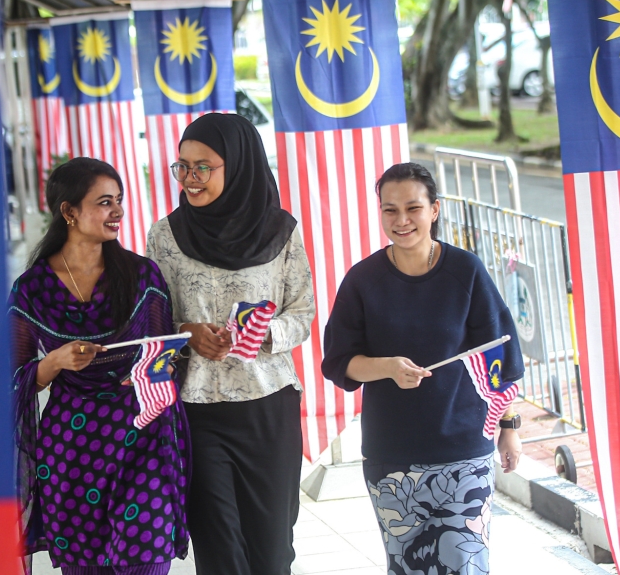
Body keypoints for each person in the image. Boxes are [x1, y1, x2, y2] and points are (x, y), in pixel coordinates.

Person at [321, 162, 524, 575]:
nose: (401, 220)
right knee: (409, 567)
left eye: (413, 208)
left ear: (434, 209)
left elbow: (500, 356)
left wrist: (511, 428)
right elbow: (339, 362)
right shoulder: (362, 280)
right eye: (389, 210)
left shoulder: (466, 272)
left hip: (464, 450)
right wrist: (387, 367)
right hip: (392, 454)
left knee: (466, 566)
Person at [145, 113, 316, 575]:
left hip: (268, 407)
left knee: (273, 550)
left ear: (238, 165)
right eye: (182, 166)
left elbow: (302, 314)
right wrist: (187, 333)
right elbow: (150, 323)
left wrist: (266, 334)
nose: (190, 178)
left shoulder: (282, 231)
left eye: (204, 166)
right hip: (198, 410)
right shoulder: (164, 236)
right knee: (220, 553)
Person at [10, 157, 189, 574]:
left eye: (120, 201)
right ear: (69, 212)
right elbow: (13, 378)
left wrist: (151, 368)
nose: (118, 212)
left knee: (147, 556)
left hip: (141, 436)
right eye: (105, 202)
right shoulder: (33, 288)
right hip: (72, 451)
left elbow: (167, 354)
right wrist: (55, 361)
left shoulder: (141, 274)